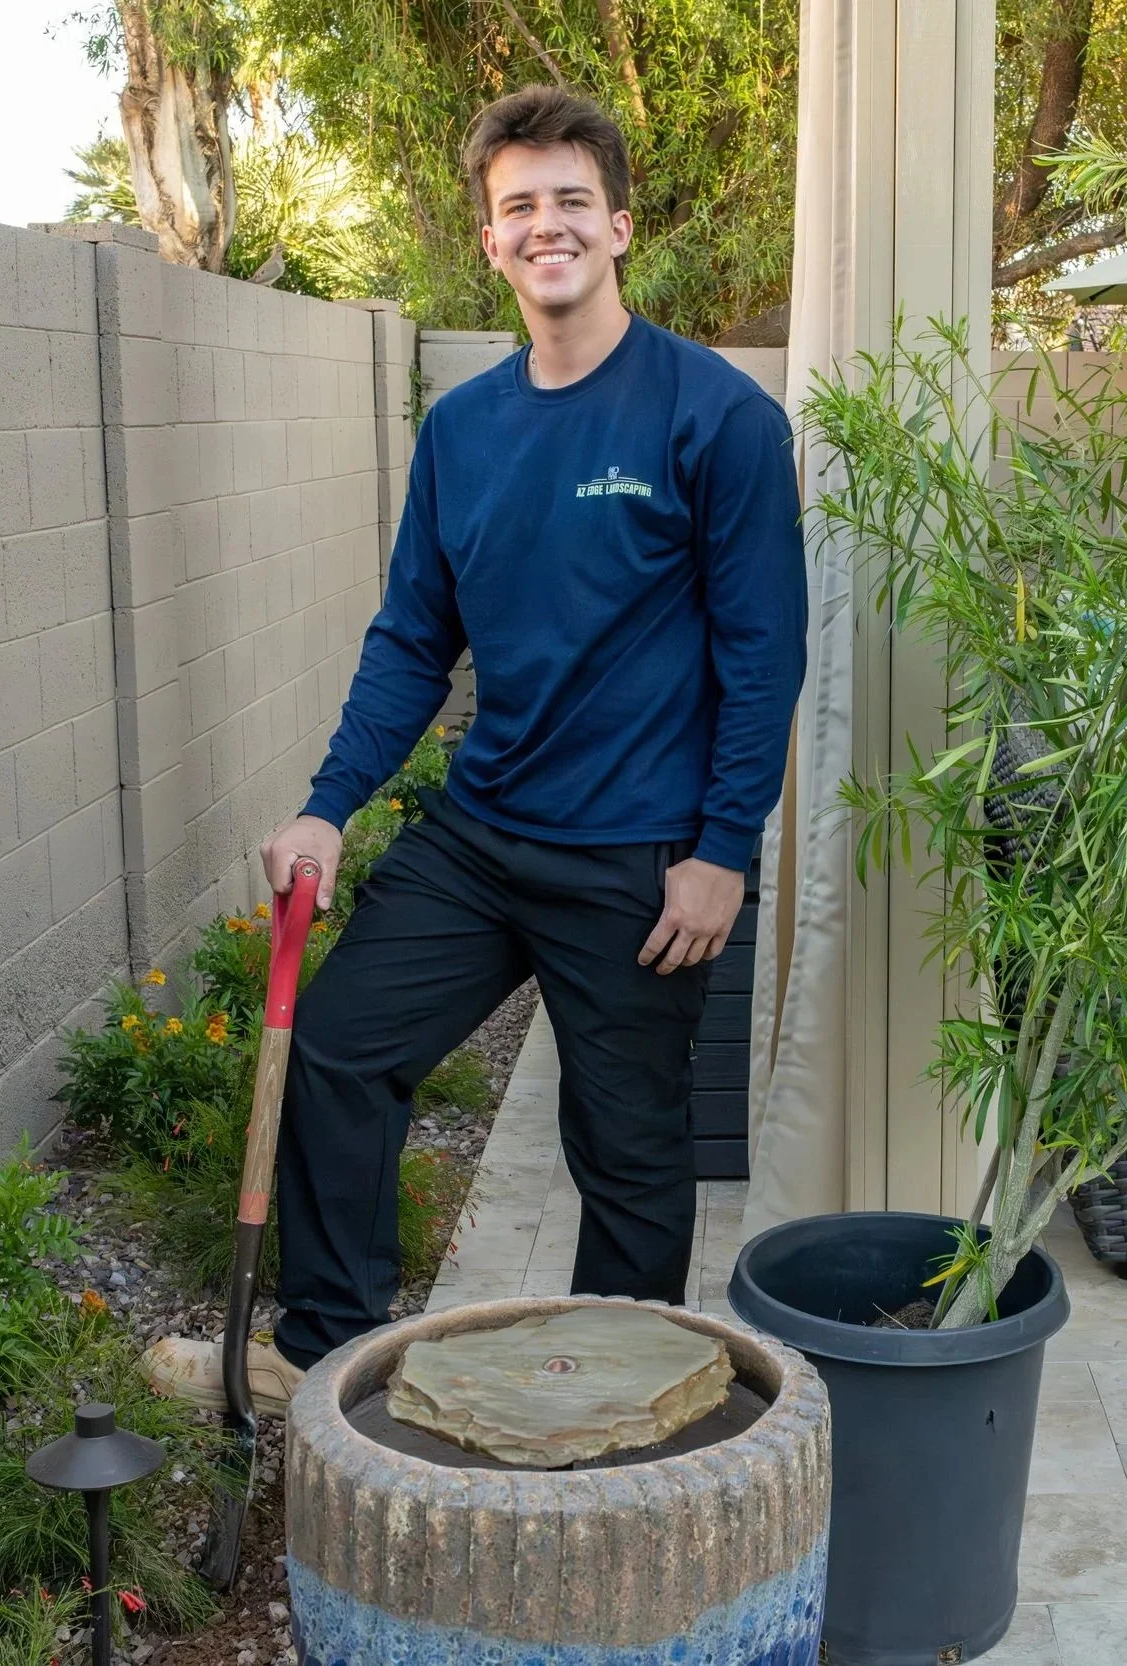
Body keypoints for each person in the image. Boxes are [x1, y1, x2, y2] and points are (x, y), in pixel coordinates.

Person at [142, 84, 807, 1414]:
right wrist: (328, 806)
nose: (547, 225)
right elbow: (412, 640)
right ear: (491, 241)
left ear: (619, 226)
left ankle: (613, 1406)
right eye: (520, 207)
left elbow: (763, 651)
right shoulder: (462, 430)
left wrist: (724, 850)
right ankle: (323, 1357)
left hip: (639, 858)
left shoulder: (715, 417)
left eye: (572, 201)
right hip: (484, 832)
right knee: (338, 1046)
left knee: (625, 1151)